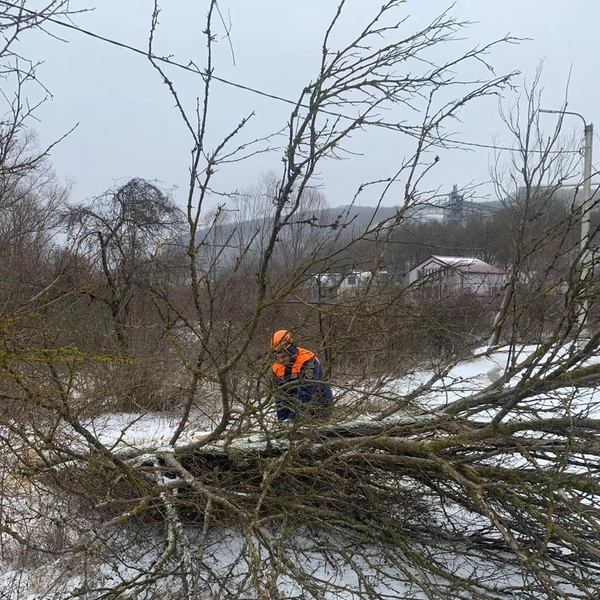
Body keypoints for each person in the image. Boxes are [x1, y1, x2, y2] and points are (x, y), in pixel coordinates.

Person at [270, 329, 334, 422]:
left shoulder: (307, 359)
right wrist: (282, 421)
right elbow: (280, 397)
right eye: (278, 357)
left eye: (284, 357)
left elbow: (306, 392)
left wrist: (293, 419)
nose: (281, 361)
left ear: (290, 351)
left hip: (319, 404)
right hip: (294, 405)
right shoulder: (276, 367)